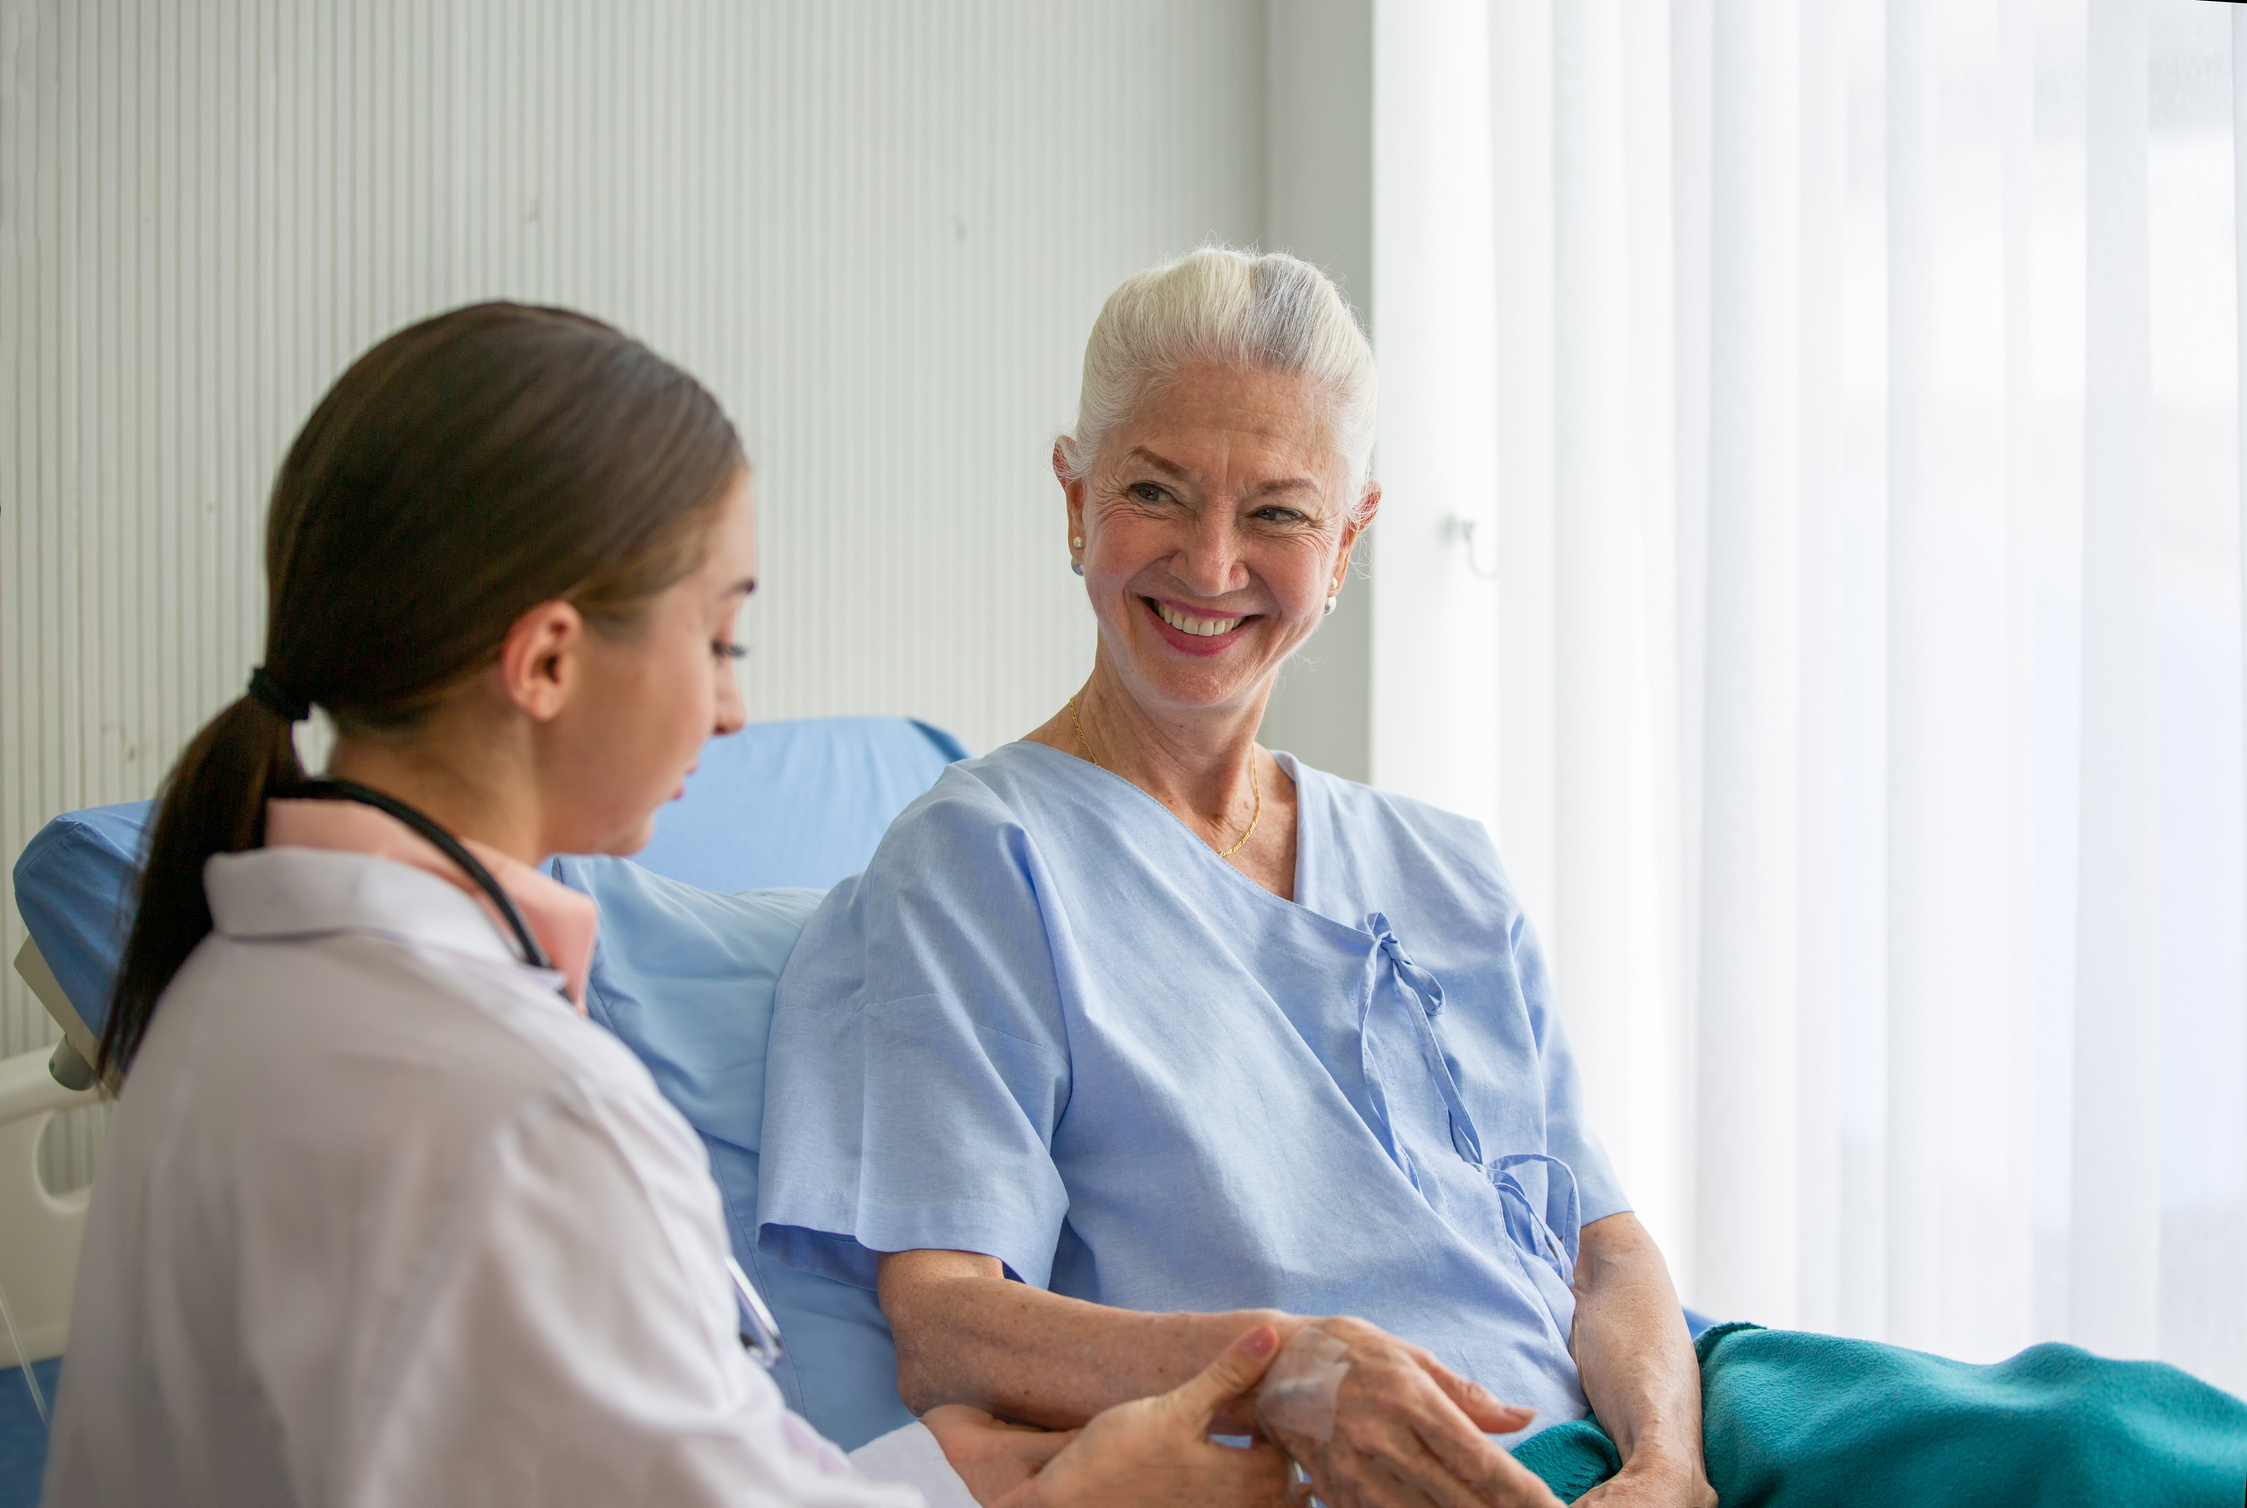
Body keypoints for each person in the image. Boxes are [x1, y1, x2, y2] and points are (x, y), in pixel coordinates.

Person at [755, 248, 2247, 1508]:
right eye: (1156, 491)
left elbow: (1603, 1251)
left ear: (1346, 543)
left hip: (1681, 1420)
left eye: (1275, 511)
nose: (1209, 563)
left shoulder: (1438, 863)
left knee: (2118, 1441)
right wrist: (1287, 1369)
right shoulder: (979, 857)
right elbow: (948, 1326)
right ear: (1073, 501)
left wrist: (1665, 1464)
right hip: (1386, 1468)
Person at [43, 303, 1292, 1508]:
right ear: (547, 661)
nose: (734, 708)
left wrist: (949, 1479)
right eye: (720, 641)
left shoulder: (223, 991)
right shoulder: (522, 1113)